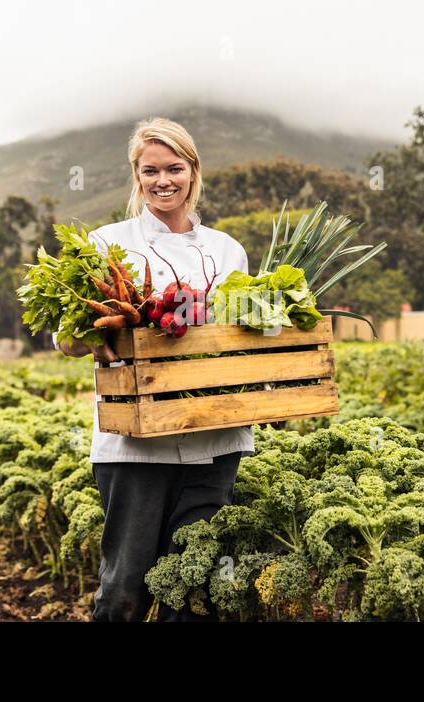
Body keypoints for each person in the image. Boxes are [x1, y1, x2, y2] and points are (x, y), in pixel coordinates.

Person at [54, 117, 252, 622]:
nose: (163, 180)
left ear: (193, 172)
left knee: (191, 592)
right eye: (150, 170)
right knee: (123, 590)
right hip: (133, 445)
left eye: (174, 168)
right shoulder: (106, 243)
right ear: (136, 176)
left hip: (215, 439)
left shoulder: (228, 251)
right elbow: (66, 338)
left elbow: (243, 338)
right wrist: (97, 333)